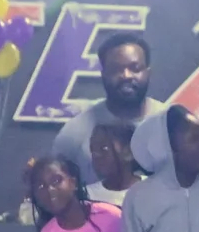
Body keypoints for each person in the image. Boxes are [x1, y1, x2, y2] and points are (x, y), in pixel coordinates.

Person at [51, 31, 164, 191]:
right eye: (116, 69)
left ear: (148, 72)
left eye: (135, 68)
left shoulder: (172, 123)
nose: (126, 76)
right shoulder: (74, 134)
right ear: (103, 75)